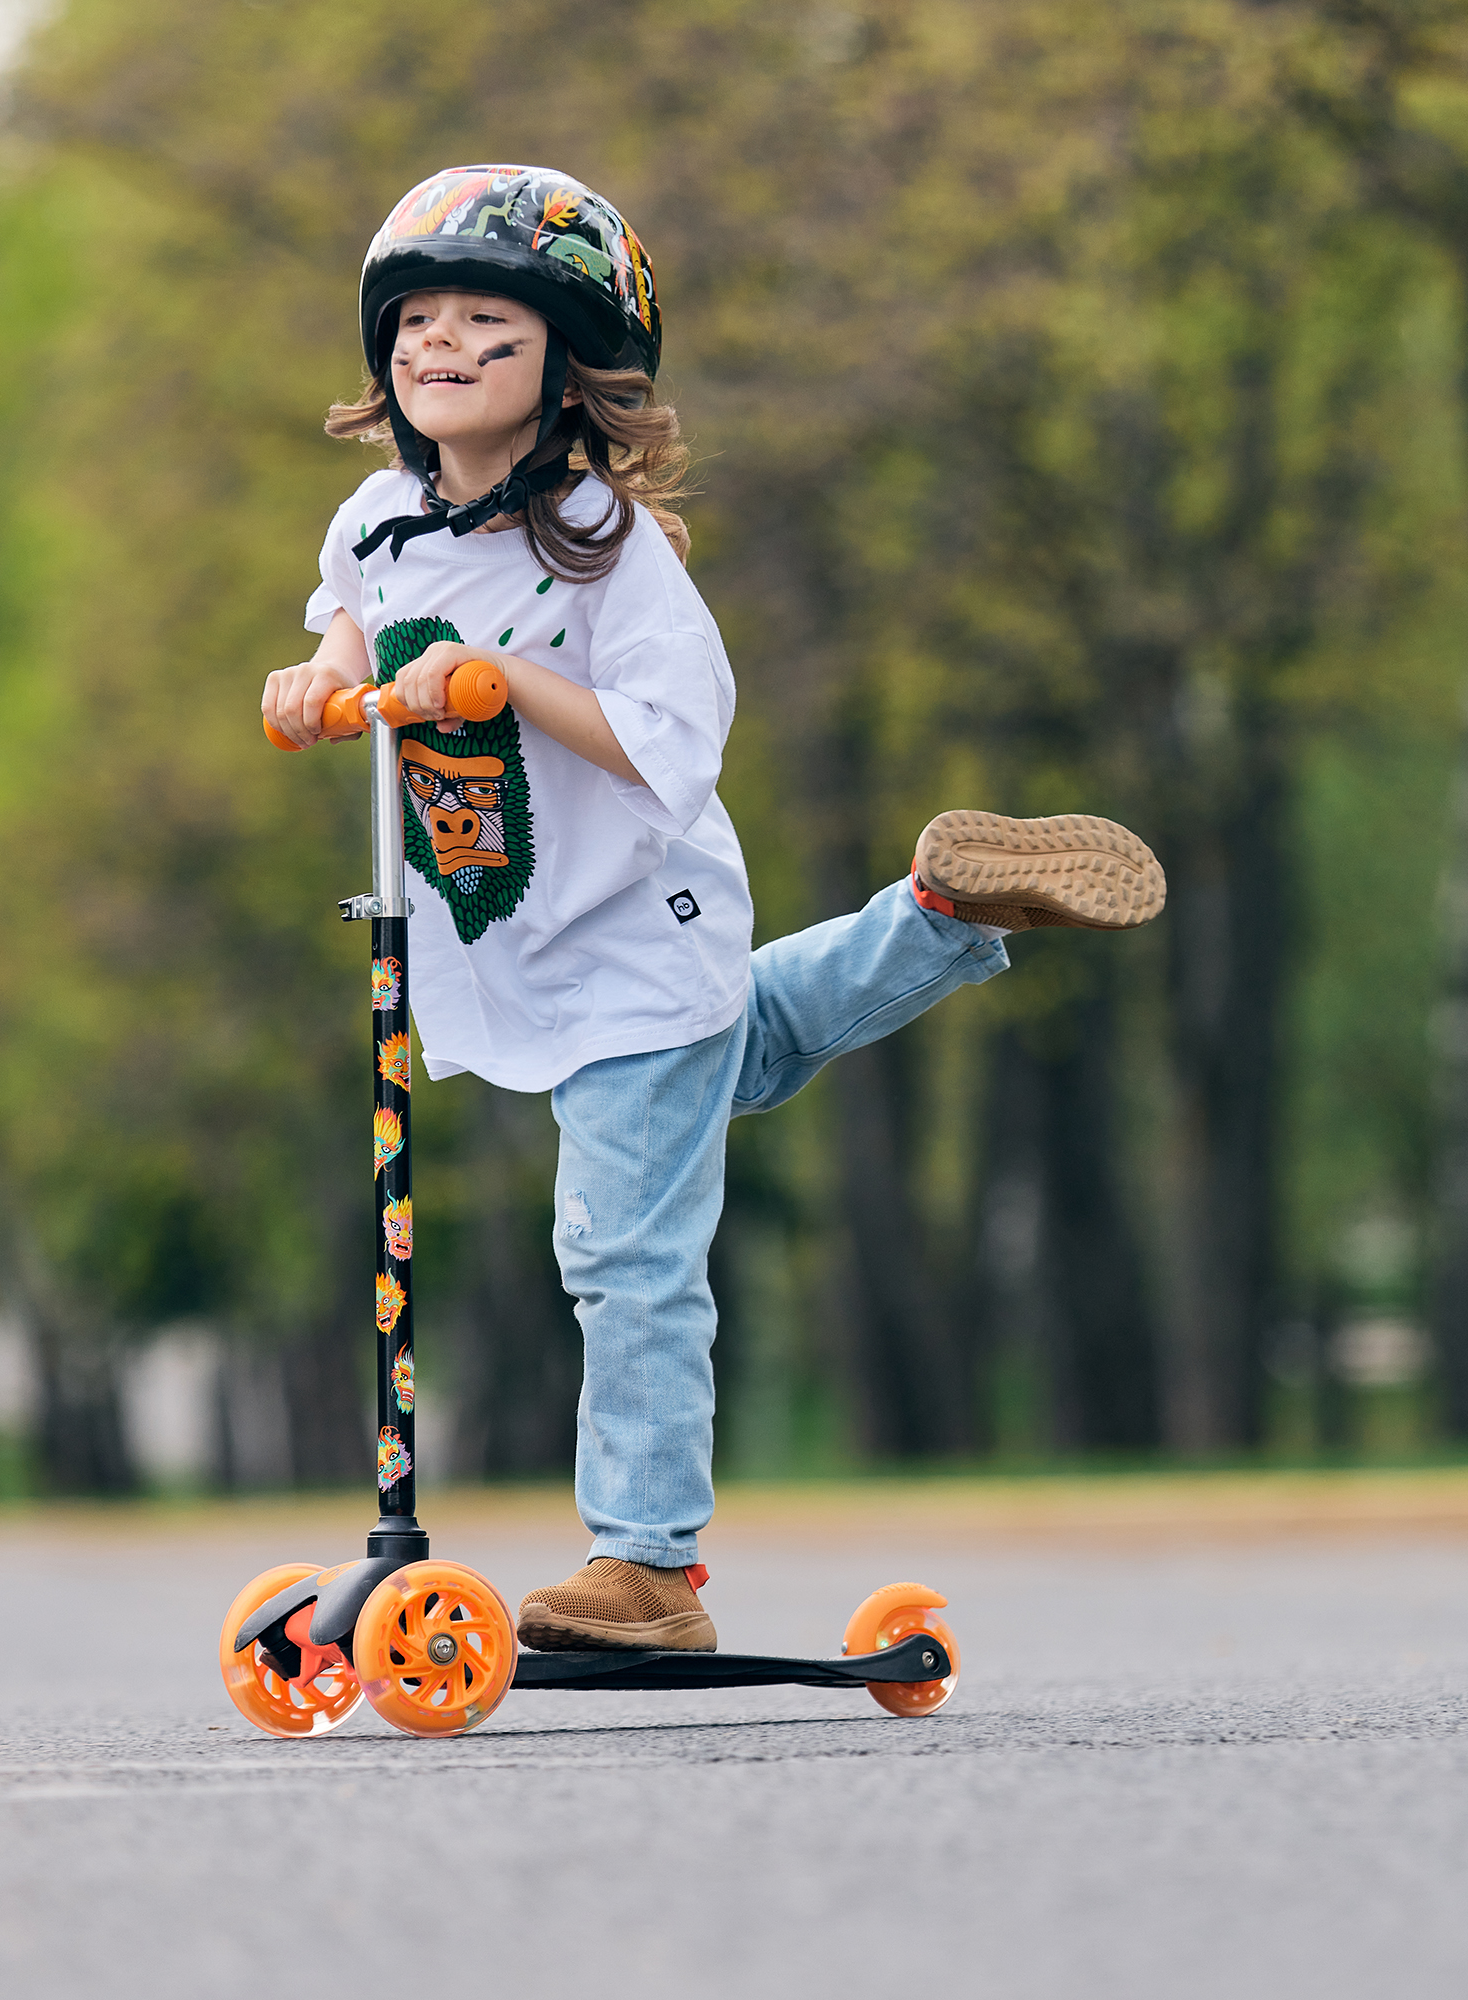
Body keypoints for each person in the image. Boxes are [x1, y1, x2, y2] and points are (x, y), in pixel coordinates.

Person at [262, 165, 1166, 1653]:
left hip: (630, 925)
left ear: (571, 363)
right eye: (415, 321)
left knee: (622, 1244)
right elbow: (354, 615)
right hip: (528, 938)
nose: (439, 347)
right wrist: (321, 676)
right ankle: (940, 909)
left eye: (485, 324)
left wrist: (508, 688)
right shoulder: (375, 522)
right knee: (740, 1047)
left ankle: (650, 1566)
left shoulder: (607, 542)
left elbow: (676, 743)